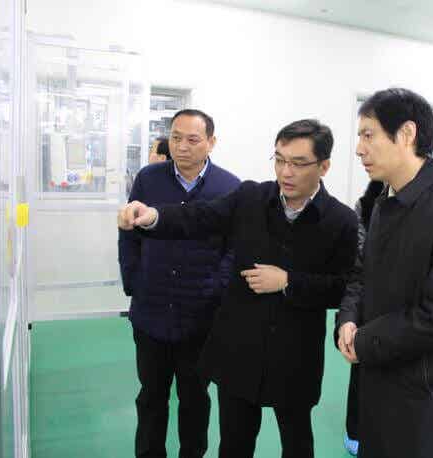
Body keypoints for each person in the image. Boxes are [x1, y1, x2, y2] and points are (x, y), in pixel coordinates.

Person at [118, 119, 358, 458]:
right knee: (233, 444)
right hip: (239, 349)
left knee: (297, 442)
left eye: (298, 163)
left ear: (324, 166)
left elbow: (343, 287)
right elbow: (199, 217)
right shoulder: (251, 197)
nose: (286, 172)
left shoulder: (341, 220)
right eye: (279, 160)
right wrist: (154, 216)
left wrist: (288, 281)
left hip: (294, 354)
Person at [336, 88, 433, 458]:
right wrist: (348, 318)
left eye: (368, 135)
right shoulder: (384, 202)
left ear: (406, 134)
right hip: (380, 377)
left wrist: (366, 341)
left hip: (426, 396)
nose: (359, 149)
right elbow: (362, 274)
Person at [118, 109, 240, 458]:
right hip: (151, 311)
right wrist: (134, 281)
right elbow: (129, 233)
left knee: (195, 397)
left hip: (201, 317)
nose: (182, 146)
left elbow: (235, 248)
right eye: (175, 138)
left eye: (192, 139)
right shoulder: (148, 179)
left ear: (211, 142)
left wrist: (216, 288)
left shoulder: (229, 187)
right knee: (151, 396)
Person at [339, 180, 384, 456]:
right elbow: (359, 258)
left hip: (396, 309)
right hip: (367, 298)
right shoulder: (365, 206)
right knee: (361, 368)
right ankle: (355, 431)